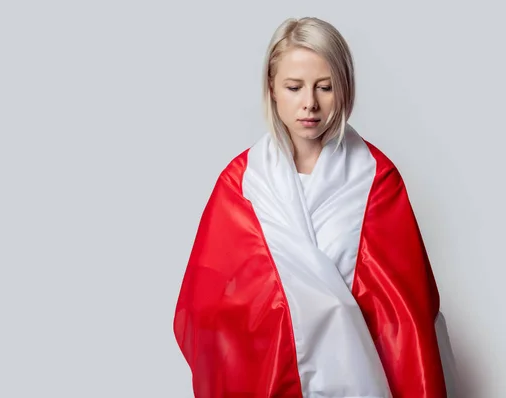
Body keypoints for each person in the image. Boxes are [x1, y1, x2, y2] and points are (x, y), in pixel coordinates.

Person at [173, 17, 458, 398]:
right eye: (294, 87)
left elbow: (407, 315)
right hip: (274, 381)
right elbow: (207, 307)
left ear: (345, 90)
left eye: (325, 87)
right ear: (272, 88)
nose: (310, 102)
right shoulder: (242, 184)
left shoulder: (375, 179)